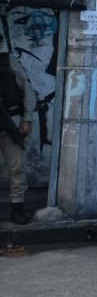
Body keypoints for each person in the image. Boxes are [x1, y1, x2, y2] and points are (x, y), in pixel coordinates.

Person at [0, 34, 34, 225]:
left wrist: (27, 118)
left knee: (16, 167)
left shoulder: (9, 62)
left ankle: (17, 209)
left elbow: (27, 91)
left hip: (11, 122)